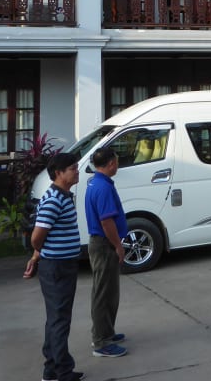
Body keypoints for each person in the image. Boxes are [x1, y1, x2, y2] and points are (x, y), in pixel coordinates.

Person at [24, 152, 84, 381]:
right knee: (60, 319)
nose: (77, 171)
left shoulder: (63, 195)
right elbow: (37, 237)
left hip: (60, 264)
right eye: (73, 168)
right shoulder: (53, 200)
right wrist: (40, 253)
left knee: (56, 318)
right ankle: (62, 371)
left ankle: (51, 370)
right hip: (58, 267)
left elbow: (44, 238)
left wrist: (37, 256)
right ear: (59, 173)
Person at [84, 146, 128, 358]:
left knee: (109, 292)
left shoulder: (96, 182)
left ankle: (107, 332)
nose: (117, 164)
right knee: (103, 293)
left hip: (102, 243)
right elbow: (106, 220)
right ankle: (101, 342)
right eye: (116, 161)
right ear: (111, 163)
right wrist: (118, 245)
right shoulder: (102, 187)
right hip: (104, 245)